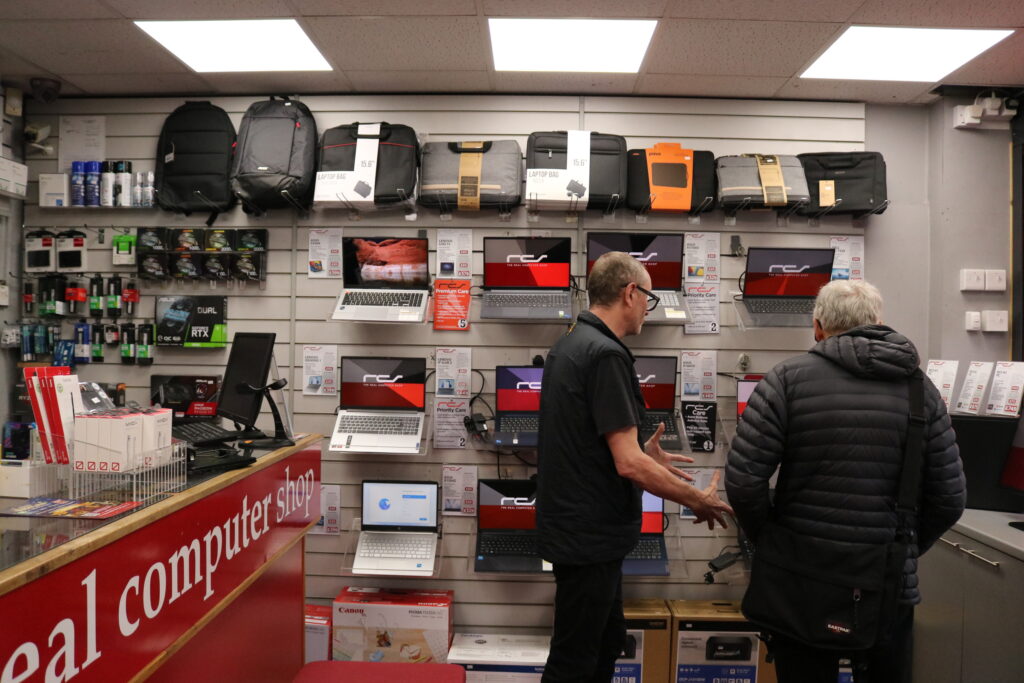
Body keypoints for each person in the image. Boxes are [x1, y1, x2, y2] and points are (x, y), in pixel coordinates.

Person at [725, 279, 966, 683]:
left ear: (818, 327)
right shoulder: (920, 390)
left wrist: (771, 539)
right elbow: (950, 498)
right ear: (878, 323)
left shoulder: (786, 380)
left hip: (799, 580)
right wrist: (904, 546)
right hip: (886, 585)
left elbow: (743, 481)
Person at [536, 251, 734, 683]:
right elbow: (627, 464)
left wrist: (645, 453)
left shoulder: (570, 344)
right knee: (574, 660)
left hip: (582, 534)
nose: (648, 307)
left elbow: (590, 444)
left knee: (606, 644)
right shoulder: (605, 355)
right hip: (589, 537)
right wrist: (696, 498)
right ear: (630, 293)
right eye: (649, 297)